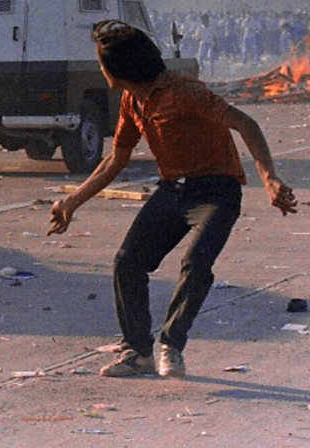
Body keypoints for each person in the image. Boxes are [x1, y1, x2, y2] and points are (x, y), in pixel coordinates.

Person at [48, 20, 297, 378]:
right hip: (172, 191)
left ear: (117, 67)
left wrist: (269, 178)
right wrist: (72, 202)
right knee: (127, 262)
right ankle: (138, 351)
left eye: (101, 63)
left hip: (217, 191)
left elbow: (246, 124)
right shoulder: (132, 101)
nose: (100, 69)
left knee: (196, 263)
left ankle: (170, 343)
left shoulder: (184, 92)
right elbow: (116, 159)